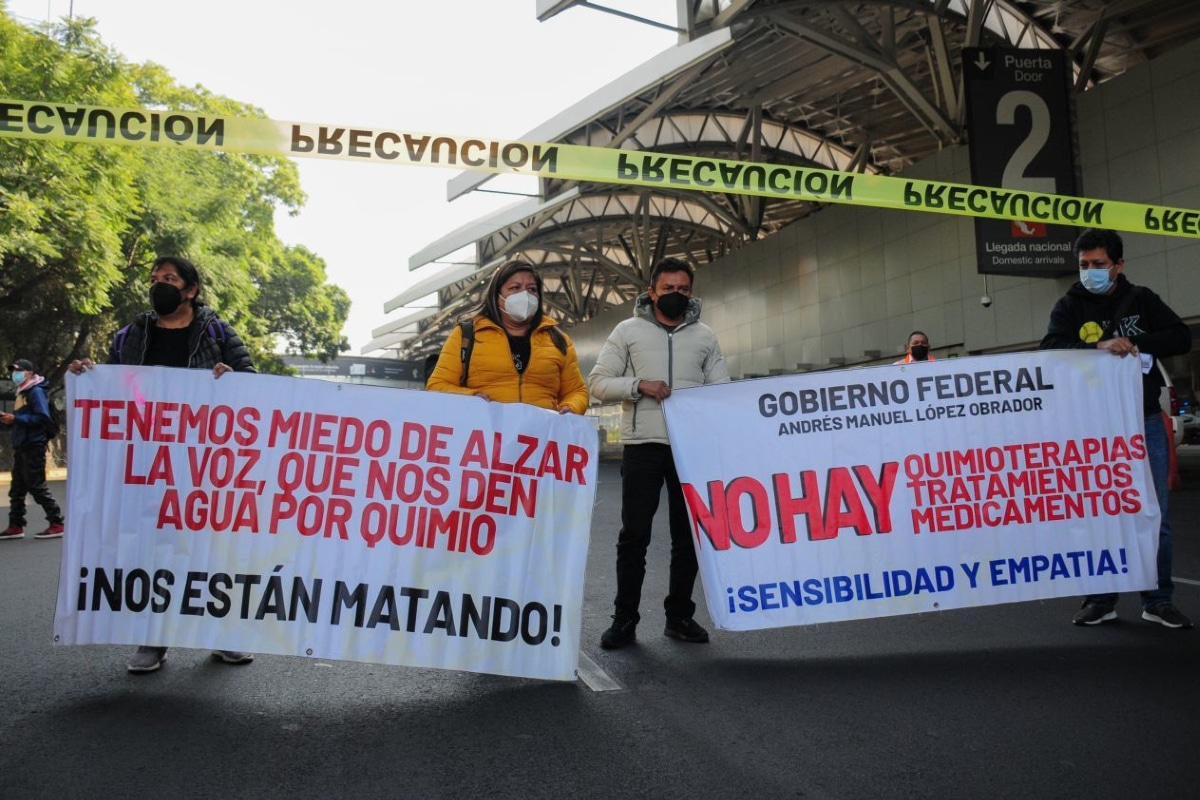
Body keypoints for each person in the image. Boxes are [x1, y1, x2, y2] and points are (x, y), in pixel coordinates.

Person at [68, 255, 260, 671]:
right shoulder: (132, 335)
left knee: (211, 547)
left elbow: (250, 381)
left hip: (204, 459)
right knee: (153, 549)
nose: (159, 285)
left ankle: (223, 633)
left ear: (190, 290)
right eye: (155, 279)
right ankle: (153, 638)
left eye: (169, 279)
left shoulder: (216, 331)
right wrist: (88, 373)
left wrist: (233, 377)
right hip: (147, 458)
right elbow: (112, 383)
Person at [1040, 229, 1192, 629]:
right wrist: (1097, 347)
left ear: (1119, 265)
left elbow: (1181, 336)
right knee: (1098, 512)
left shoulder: (1142, 299)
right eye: (1085, 265)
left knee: (1153, 513)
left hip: (1142, 421)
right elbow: (1050, 353)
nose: (1091, 271)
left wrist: (1136, 341)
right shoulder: (1068, 306)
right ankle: (1101, 599)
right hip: (1091, 427)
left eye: (1100, 265)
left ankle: (1158, 600)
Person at [589, 256, 730, 648]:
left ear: (691, 293)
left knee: (688, 539)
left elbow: (722, 391)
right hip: (642, 447)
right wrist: (639, 386)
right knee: (634, 536)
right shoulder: (627, 330)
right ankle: (624, 619)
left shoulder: (704, 336)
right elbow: (598, 383)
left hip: (690, 450)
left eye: (683, 289)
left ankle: (679, 616)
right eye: (668, 289)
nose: (676, 295)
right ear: (652, 292)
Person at [426, 259, 589, 414]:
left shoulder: (558, 340)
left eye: (532, 289)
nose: (525, 295)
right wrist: (471, 397)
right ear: (497, 296)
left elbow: (577, 391)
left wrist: (571, 407)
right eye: (515, 288)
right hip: (486, 437)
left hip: (540, 437)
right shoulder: (467, 335)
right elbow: (437, 385)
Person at [1, 359, 66, 540]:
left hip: (33, 445)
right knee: (17, 489)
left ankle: (57, 522)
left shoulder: (35, 391)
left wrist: (16, 420)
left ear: (29, 373)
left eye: (18, 370)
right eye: (13, 371)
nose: (15, 374)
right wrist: (10, 420)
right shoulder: (22, 392)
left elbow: (42, 418)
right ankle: (16, 525)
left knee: (36, 486)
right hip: (22, 444)